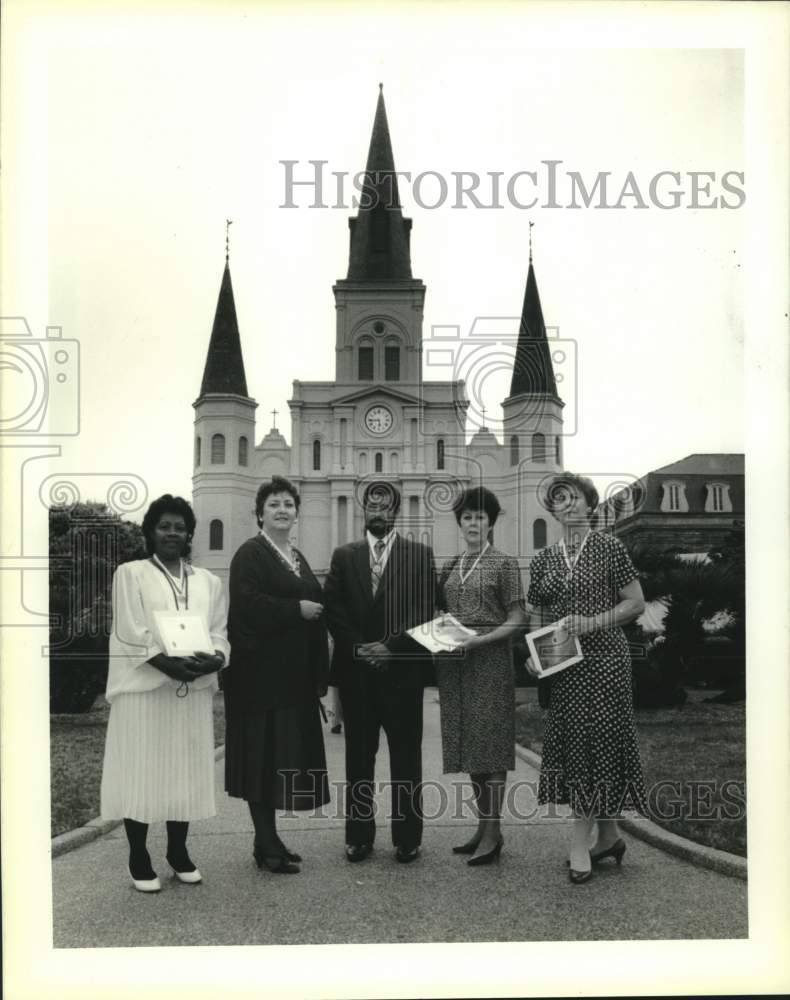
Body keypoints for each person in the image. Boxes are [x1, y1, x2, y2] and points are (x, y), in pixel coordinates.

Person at [100, 494, 229, 892]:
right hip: (145, 691)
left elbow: (219, 633)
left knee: (184, 773)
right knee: (143, 772)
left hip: (190, 693)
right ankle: (138, 855)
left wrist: (217, 659)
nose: (173, 532)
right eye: (164, 525)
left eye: (180, 526)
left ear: (190, 533)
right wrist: (167, 664)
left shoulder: (208, 581)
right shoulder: (131, 573)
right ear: (151, 532)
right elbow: (129, 630)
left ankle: (178, 851)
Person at [525, 472, 647, 884]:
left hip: (607, 661)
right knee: (579, 746)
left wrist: (593, 622)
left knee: (600, 745)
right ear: (553, 509)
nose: (568, 504)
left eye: (574, 497)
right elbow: (539, 616)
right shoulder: (543, 559)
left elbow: (635, 603)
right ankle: (609, 836)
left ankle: (580, 841)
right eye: (560, 499)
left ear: (589, 504)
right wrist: (533, 656)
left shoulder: (610, 547)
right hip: (564, 665)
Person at [323, 481, 436, 864]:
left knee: (406, 758)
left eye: (385, 504)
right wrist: (362, 648)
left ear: (396, 510)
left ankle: (407, 838)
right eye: (371, 503)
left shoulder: (420, 555)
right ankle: (358, 836)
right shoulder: (344, 556)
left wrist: (391, 647)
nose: (378, 510)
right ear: (363, 510)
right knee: (358, 758)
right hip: (358, 675)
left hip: (402, 673)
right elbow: (334, 610)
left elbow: (424, 611)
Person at [224, 476, 330, 874]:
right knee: (261, 760)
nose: (282, 509)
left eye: (288, 504)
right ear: (260, 514)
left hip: (293, 680)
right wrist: (294, 610)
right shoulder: (249, 554)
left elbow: (316, 606)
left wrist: (321, 670)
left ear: (297, 512)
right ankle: (266, 844)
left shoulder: (297, 557)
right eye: (274, 505)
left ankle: (267, 839)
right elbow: (247, 605)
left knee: (280, 760)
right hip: (258, 680)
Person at [436, 486, 526, 866]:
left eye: (480, 517)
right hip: (456, 666)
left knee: (491, 746)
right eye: (467, 517)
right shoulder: (452, 564)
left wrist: (483, 640)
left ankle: (493, 831)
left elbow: (518, 617)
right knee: (470, 747)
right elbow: (442, 615)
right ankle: (483, 826)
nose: (474, 523)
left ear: (491, 522)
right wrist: (440, 636)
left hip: (489, 661)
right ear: (460, 523)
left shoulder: (504, 564)